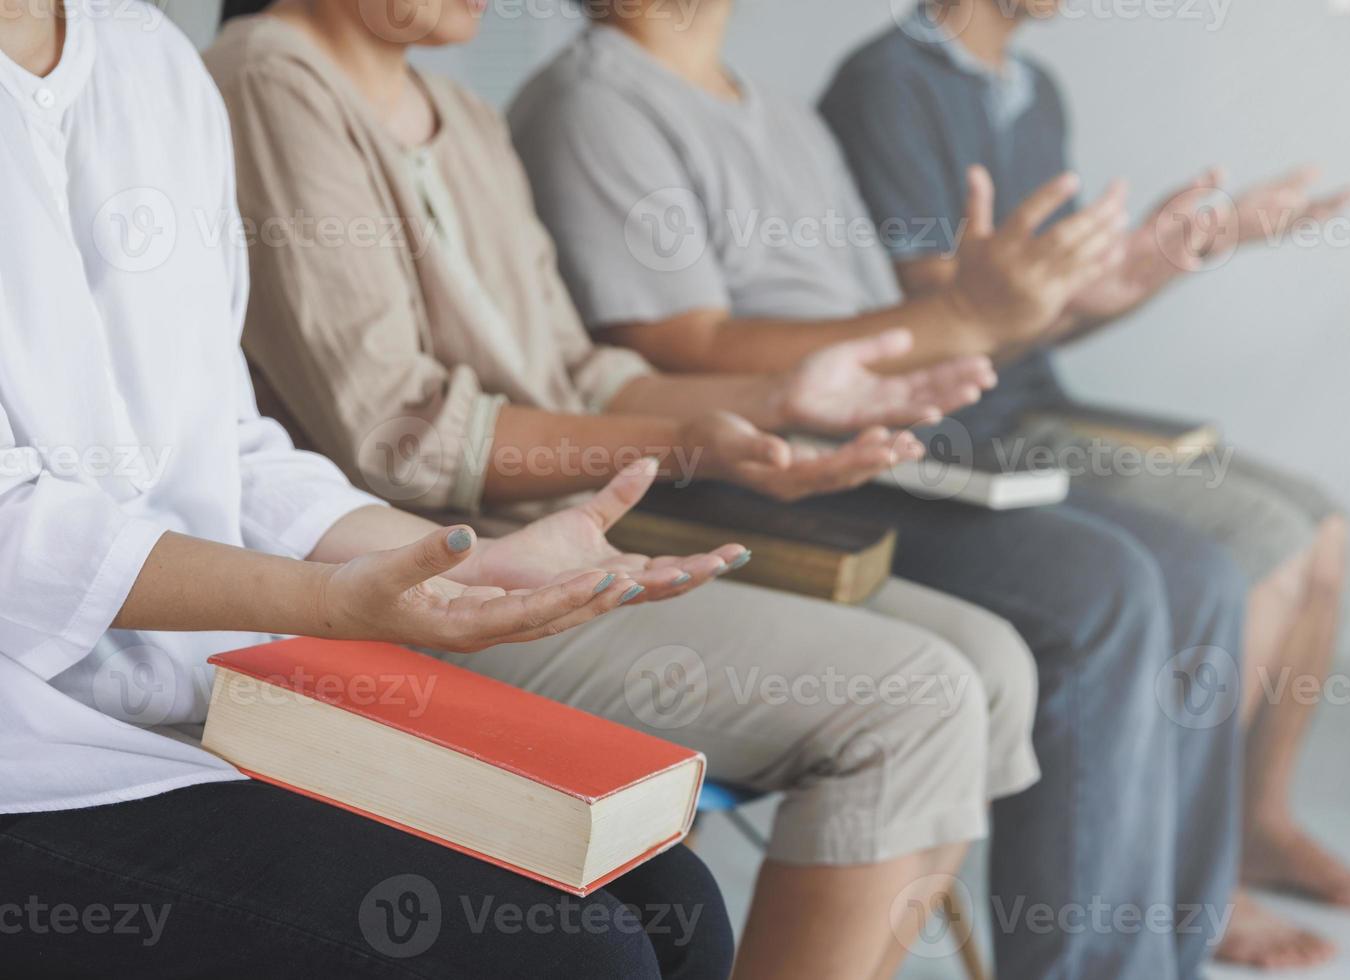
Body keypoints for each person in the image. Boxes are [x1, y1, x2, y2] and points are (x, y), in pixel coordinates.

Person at [205, 2, 1041, 977]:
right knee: (915, 699)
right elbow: (402, 434)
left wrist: (775, 399)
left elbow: (577, 372)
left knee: (989, 663)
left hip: (550, 538)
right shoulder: (268, 74)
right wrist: (687, 441)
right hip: (412, 578)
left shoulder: (462, 114)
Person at [509, 3, 1252, 978]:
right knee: (1101, 588)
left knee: (1194, 569)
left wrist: (1038, 306)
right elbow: (675, 345)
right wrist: (959, 315)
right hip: (750, 466)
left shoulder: (783, 116)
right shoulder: (592, 101)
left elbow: (896, 320)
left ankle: (1168, 956)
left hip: (877, 439)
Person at [0, 2, 741, 976]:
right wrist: (328, 602)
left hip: (195, 693)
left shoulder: (148, 58)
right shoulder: (258, 73)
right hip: (30, 754)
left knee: (671, 903)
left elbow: (225, 442)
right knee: (570, 958)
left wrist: (459, 561)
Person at [819, 0, 1350, 969]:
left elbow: (1041, 319)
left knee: (1322, 526)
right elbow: (949, 320)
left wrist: (1169, 260)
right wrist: (1124, 272)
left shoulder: (1033, 91)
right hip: (954, 424)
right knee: (1246, 546)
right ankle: (1192, 882)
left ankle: (1249, 828)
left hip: (1034, 403)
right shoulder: (882, 85)